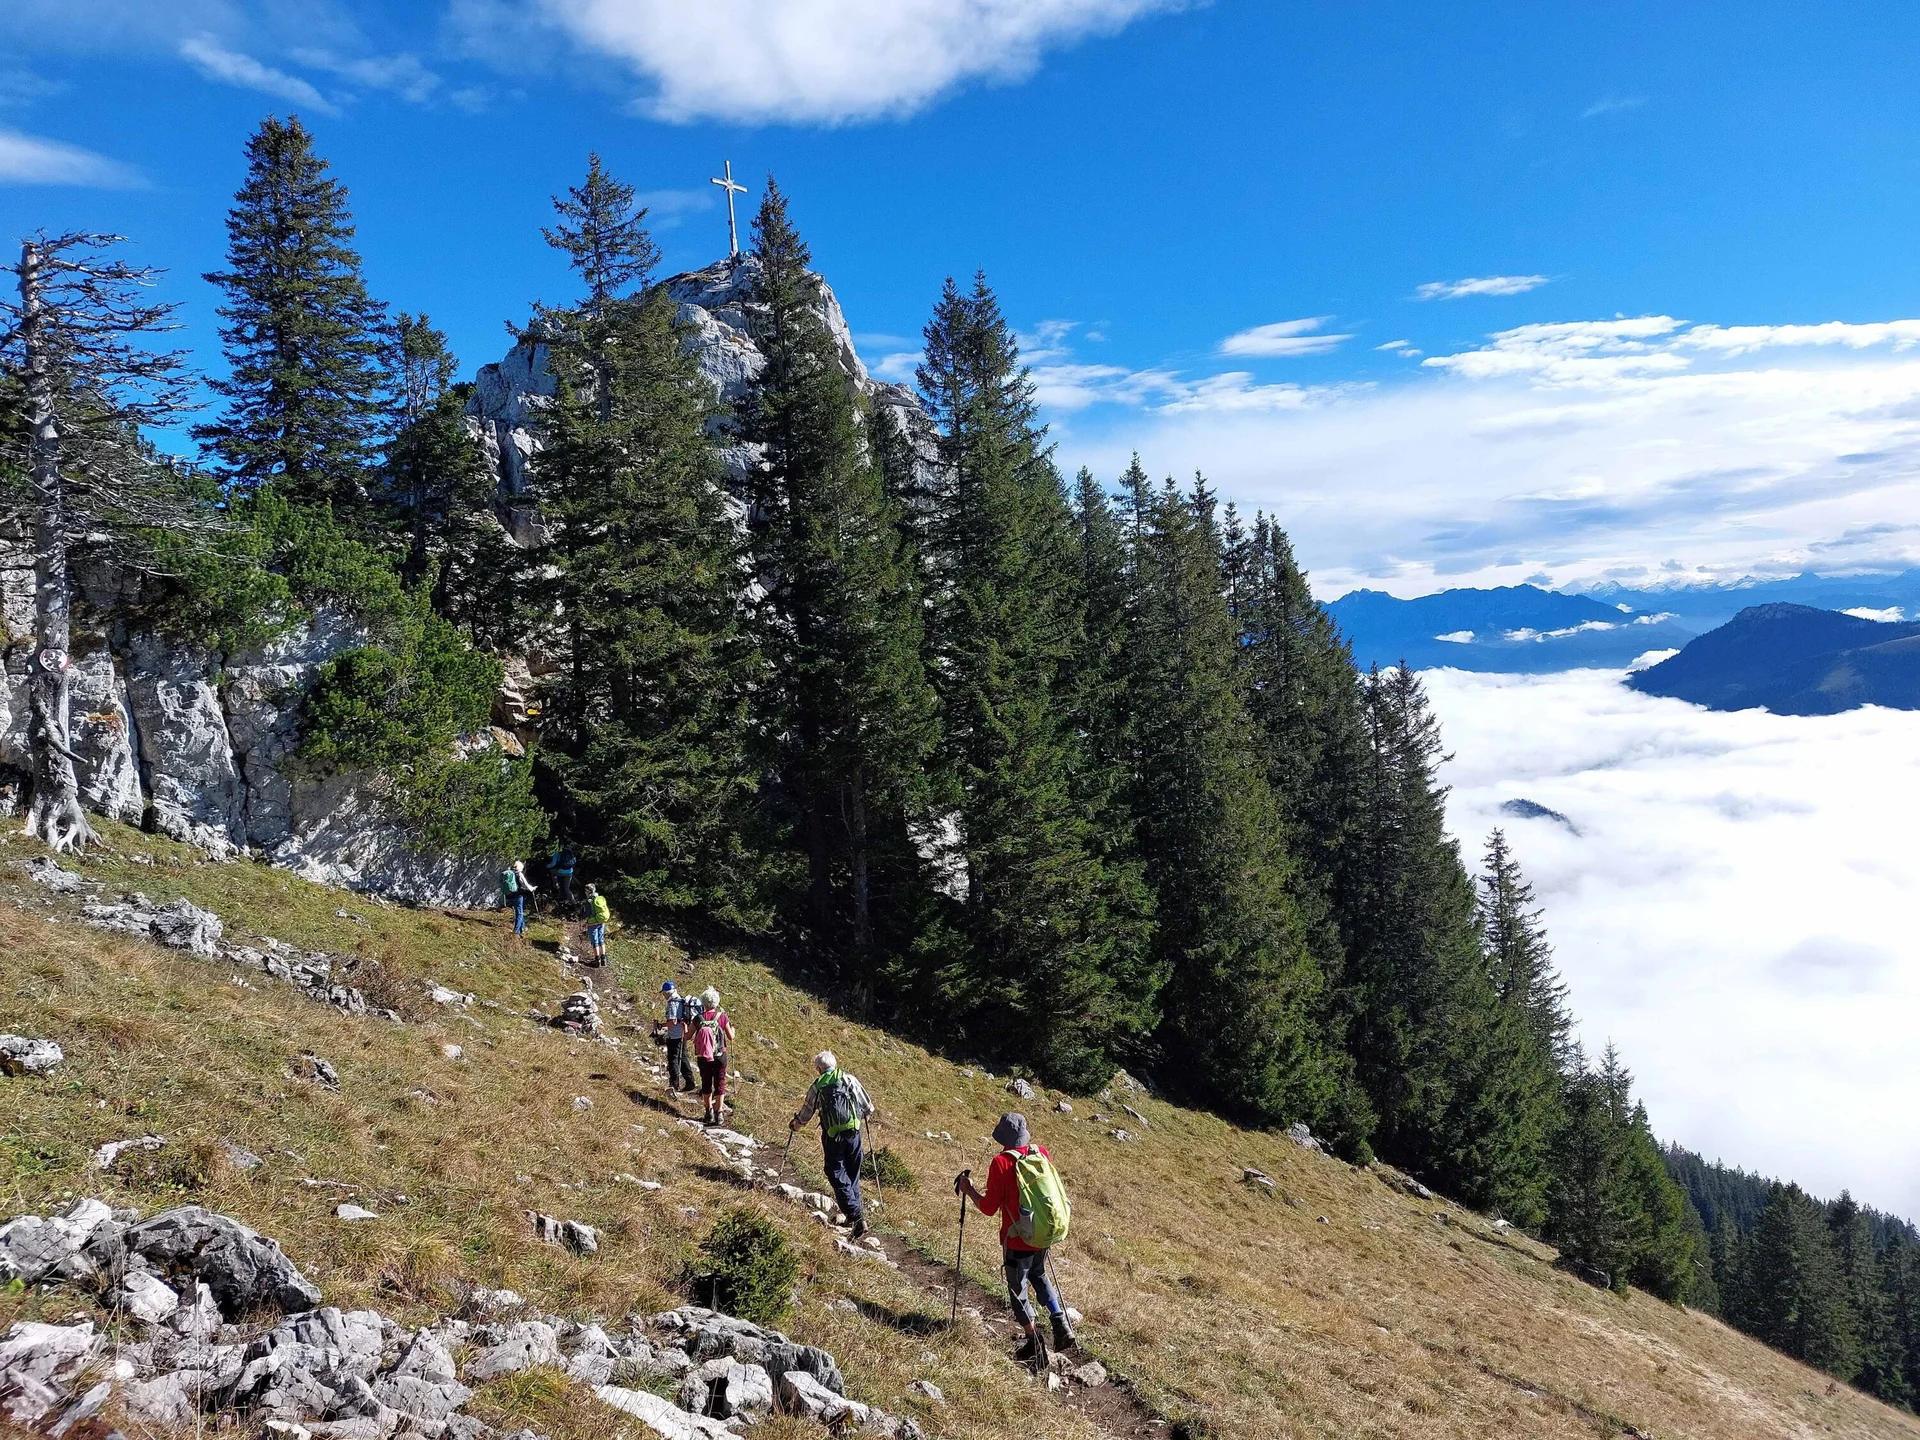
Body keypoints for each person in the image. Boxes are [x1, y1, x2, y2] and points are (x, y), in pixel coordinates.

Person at [956, 1113, 1076, 1363]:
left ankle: (1034, 1343)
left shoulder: (1001, 1162)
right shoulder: (1040, 1152)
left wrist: (969, 1190)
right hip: (1043, 1233)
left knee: (1017, 1289)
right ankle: (1060, 1323)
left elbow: (989, 1208)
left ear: (1002, 1136)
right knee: (1039, 1274)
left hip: (1018, 1238)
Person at [789, 1051, 876, 1238]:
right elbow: (868, 1107)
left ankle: (856, 1216)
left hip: (833, 1137)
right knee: (852, 1172)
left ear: (819, 1069)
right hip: (854, 1133)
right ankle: (854, 1216)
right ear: (835, 1064)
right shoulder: (848, 1079)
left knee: (835, 1173)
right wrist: (863, 1115)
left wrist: (796, 1125)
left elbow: (807, 1111)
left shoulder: (817, 1086)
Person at [691, 987, 734, 1126]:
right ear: (716, 1002)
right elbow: (730, 1036)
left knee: (706, 1082)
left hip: (704, 1055)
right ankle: (719, 1113)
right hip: (720, 1055)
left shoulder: (698, 1018)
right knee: (720, 1082)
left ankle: (708, 1111)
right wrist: (733, 1030)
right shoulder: (722, 1017)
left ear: (703, 1002)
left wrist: (685, 1028)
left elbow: (687, 1036)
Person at [660, 982, 696, 1093]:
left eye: (663, 993)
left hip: (675, 1035)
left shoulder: (672, 1003)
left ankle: (674, 1083)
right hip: (683, 1033)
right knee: (683, 1056)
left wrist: (661, 1026)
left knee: (673, 1059)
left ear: (667, 992)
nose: (663, 996)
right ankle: (690, 1081)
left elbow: (672, 1022)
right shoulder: (681, 1000)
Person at [501, 859, 537, 937]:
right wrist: (532, 889)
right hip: (518, 895)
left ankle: (522, 928)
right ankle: (516, 931)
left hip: (509, 895)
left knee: (518, 911)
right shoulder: (519, 874)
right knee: (519, 913)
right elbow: (526, 885)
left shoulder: (509, 873)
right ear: (520, 867)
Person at [584, 884, 610, 965]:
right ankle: (603, 959)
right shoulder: (599, 898)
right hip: (601, 921)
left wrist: (587, 923)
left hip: (593, 922)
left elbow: (587, 914)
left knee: (595, 942)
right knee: (601, 940)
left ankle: (597, 960)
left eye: (586, 890)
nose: (585, 892)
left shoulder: (589, 901)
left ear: (588, 891)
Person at [547, 843, 578, 913]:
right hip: (570, 872)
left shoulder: (557, 855)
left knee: (552, 871)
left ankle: (556, 885)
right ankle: (574, 903)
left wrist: (547, 866)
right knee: (567, 888)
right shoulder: (571, 854)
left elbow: (552, 864)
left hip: (560, 872)